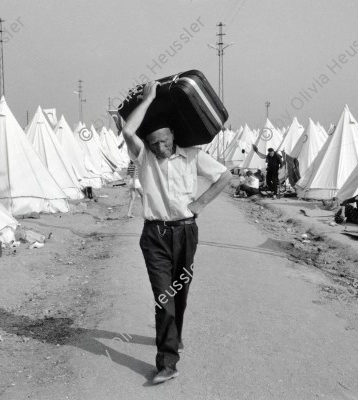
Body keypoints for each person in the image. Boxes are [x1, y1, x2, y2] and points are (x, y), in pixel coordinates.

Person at [122, 81, 231, 384]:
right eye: (154, 143)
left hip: (185, 232)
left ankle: (175, 335)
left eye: (164, 142)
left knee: (179, 293)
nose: (159, 148)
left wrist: (201, 202)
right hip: (154, 236)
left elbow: (225, 176)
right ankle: (167, 363)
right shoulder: (143, 156)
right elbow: (128, 132)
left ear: (173, 136)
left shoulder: (193, 155)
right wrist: (150, 98)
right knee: (164, 297)